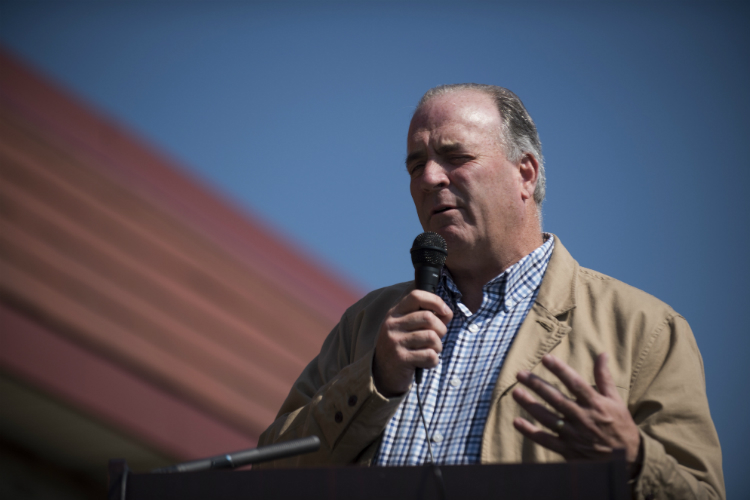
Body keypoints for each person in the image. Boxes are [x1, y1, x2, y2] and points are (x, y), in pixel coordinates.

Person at [257, 84, 724, 500]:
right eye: (416, 165)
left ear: (526, 174)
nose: (429, 179)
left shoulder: (643, 329)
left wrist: (633, 461)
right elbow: (264, 475)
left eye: (455, 157)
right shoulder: (368, 323)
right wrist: (374, 378)